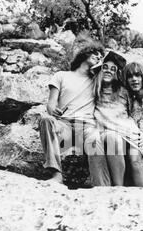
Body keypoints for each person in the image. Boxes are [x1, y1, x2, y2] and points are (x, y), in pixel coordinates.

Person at [39, 45, 111, 186]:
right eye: (94, 53)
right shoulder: (61, 75)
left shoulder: (97, 80)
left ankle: (101, 186)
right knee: (46, 120)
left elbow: (114, 71)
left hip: (86, 125)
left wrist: (102, 64)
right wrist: (53, 110)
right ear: (84, 54)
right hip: (64, 124)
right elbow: (51, 103)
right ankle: (57, 175)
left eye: (100, 56)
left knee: (95, 139)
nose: (97, 56)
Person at [91, 51, 143, 187]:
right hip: (109, 133)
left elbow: (138, 113)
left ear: (117, 73)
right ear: (100, 69)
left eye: (113, 69)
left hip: (131, 134)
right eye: (105, 67)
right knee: (113, 138)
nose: (108, 71)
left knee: (135, 162)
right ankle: (119, 188)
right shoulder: (93, 89)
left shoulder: (124, 91)